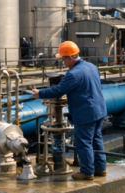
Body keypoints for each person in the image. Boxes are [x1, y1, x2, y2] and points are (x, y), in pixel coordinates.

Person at [31, 41, 107, 180]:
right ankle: (100, 169)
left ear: (70, 57)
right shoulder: (91, 66)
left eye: (63, 59)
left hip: (85, 113)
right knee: (96, 139)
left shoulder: (73, 74)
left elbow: (59, 90)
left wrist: (40, 93)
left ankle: (87, 172)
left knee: (83, 142)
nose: (63, 62)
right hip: (99, 109)